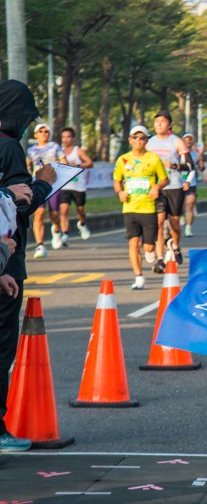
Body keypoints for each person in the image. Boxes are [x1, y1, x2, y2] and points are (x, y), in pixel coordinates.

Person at [0, 80, 57, 452]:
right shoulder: (8, 149)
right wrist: (44, 184)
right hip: (6, 261)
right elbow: (19, 206)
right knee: (2, 348)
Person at [113, 126, 168, 290]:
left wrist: (157, 187)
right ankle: (138, 277)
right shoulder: (122, 160)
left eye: (142, 138)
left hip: (148, 208)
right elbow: (117, 180)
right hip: (130, 207)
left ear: (146, 141)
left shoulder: (154, 159)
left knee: (148, 247)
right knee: (133, 243)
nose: (138, 141)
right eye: (135, 137)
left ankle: (151, 252)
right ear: (130, 140)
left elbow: (165, 179)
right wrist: (119, 192)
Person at [146, 110, 193, 272]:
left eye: (163, 121)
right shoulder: (149, 143)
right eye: (156, 121)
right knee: (158, 223)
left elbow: (189, 166)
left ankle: (176, 245)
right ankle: (159, 259)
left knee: (174, 224)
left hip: (174, 186)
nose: (159, 124)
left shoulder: (177, 142)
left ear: (170, 125)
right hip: (156, 188)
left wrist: (174, 166)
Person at [27, 123, 66, 258]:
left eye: (46, 131)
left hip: (54, 183)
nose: (44, 133)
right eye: (41, 131)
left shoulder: (54, 146)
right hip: (38, 184)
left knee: (54, 214)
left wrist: (65, 168)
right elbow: (28, 166)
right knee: (40, 213)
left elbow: (63, 160)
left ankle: (56, 231)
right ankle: (40, 245)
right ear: (36, 134)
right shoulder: (31, 150)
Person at [58, 127, 93, 245]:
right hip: (65, 186)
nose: (66, 139)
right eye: (63, 137)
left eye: (68, 137)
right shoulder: (59, 152)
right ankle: (65, 234)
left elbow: (90, 162)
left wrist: (78, 165)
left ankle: (82, 224)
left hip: (79, 186)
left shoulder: (78, 151)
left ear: (73, 138)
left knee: (80, 210)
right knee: (64, 210)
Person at [181, 132, 205, 237]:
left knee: (190, 204)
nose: (188, 142)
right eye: (186, 140)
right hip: (178, 182)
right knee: (181, 206)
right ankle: (181, 215)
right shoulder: (178, 153)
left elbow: (202, 168)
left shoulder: (196, 154)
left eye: (190, 140)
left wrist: (201, 162)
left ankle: (188, 228)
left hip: (191, 182)